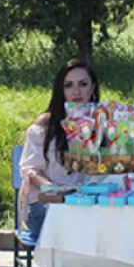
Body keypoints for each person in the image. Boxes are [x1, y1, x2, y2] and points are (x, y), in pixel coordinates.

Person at [19, 59, 100, 240]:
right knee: (76, 225)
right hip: (47, 204)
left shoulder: (103, 123)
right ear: (60, 90)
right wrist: (53, 190)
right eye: (68, 85)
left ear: (93, 87)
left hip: (89, 204)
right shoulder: (45, 124)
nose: (76, 92)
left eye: (83, 84)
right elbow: (30, 170)